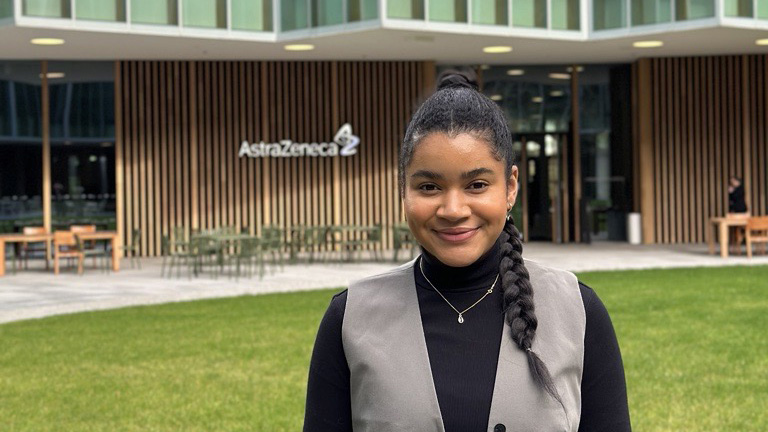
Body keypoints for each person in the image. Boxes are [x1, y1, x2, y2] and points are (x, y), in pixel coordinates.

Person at [303, 71, 631, 431]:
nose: (453, 209)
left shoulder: (578, 313)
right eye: (429, 186)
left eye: (476, 184)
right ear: (403, 192)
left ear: (510, 188)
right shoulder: (350, 319)